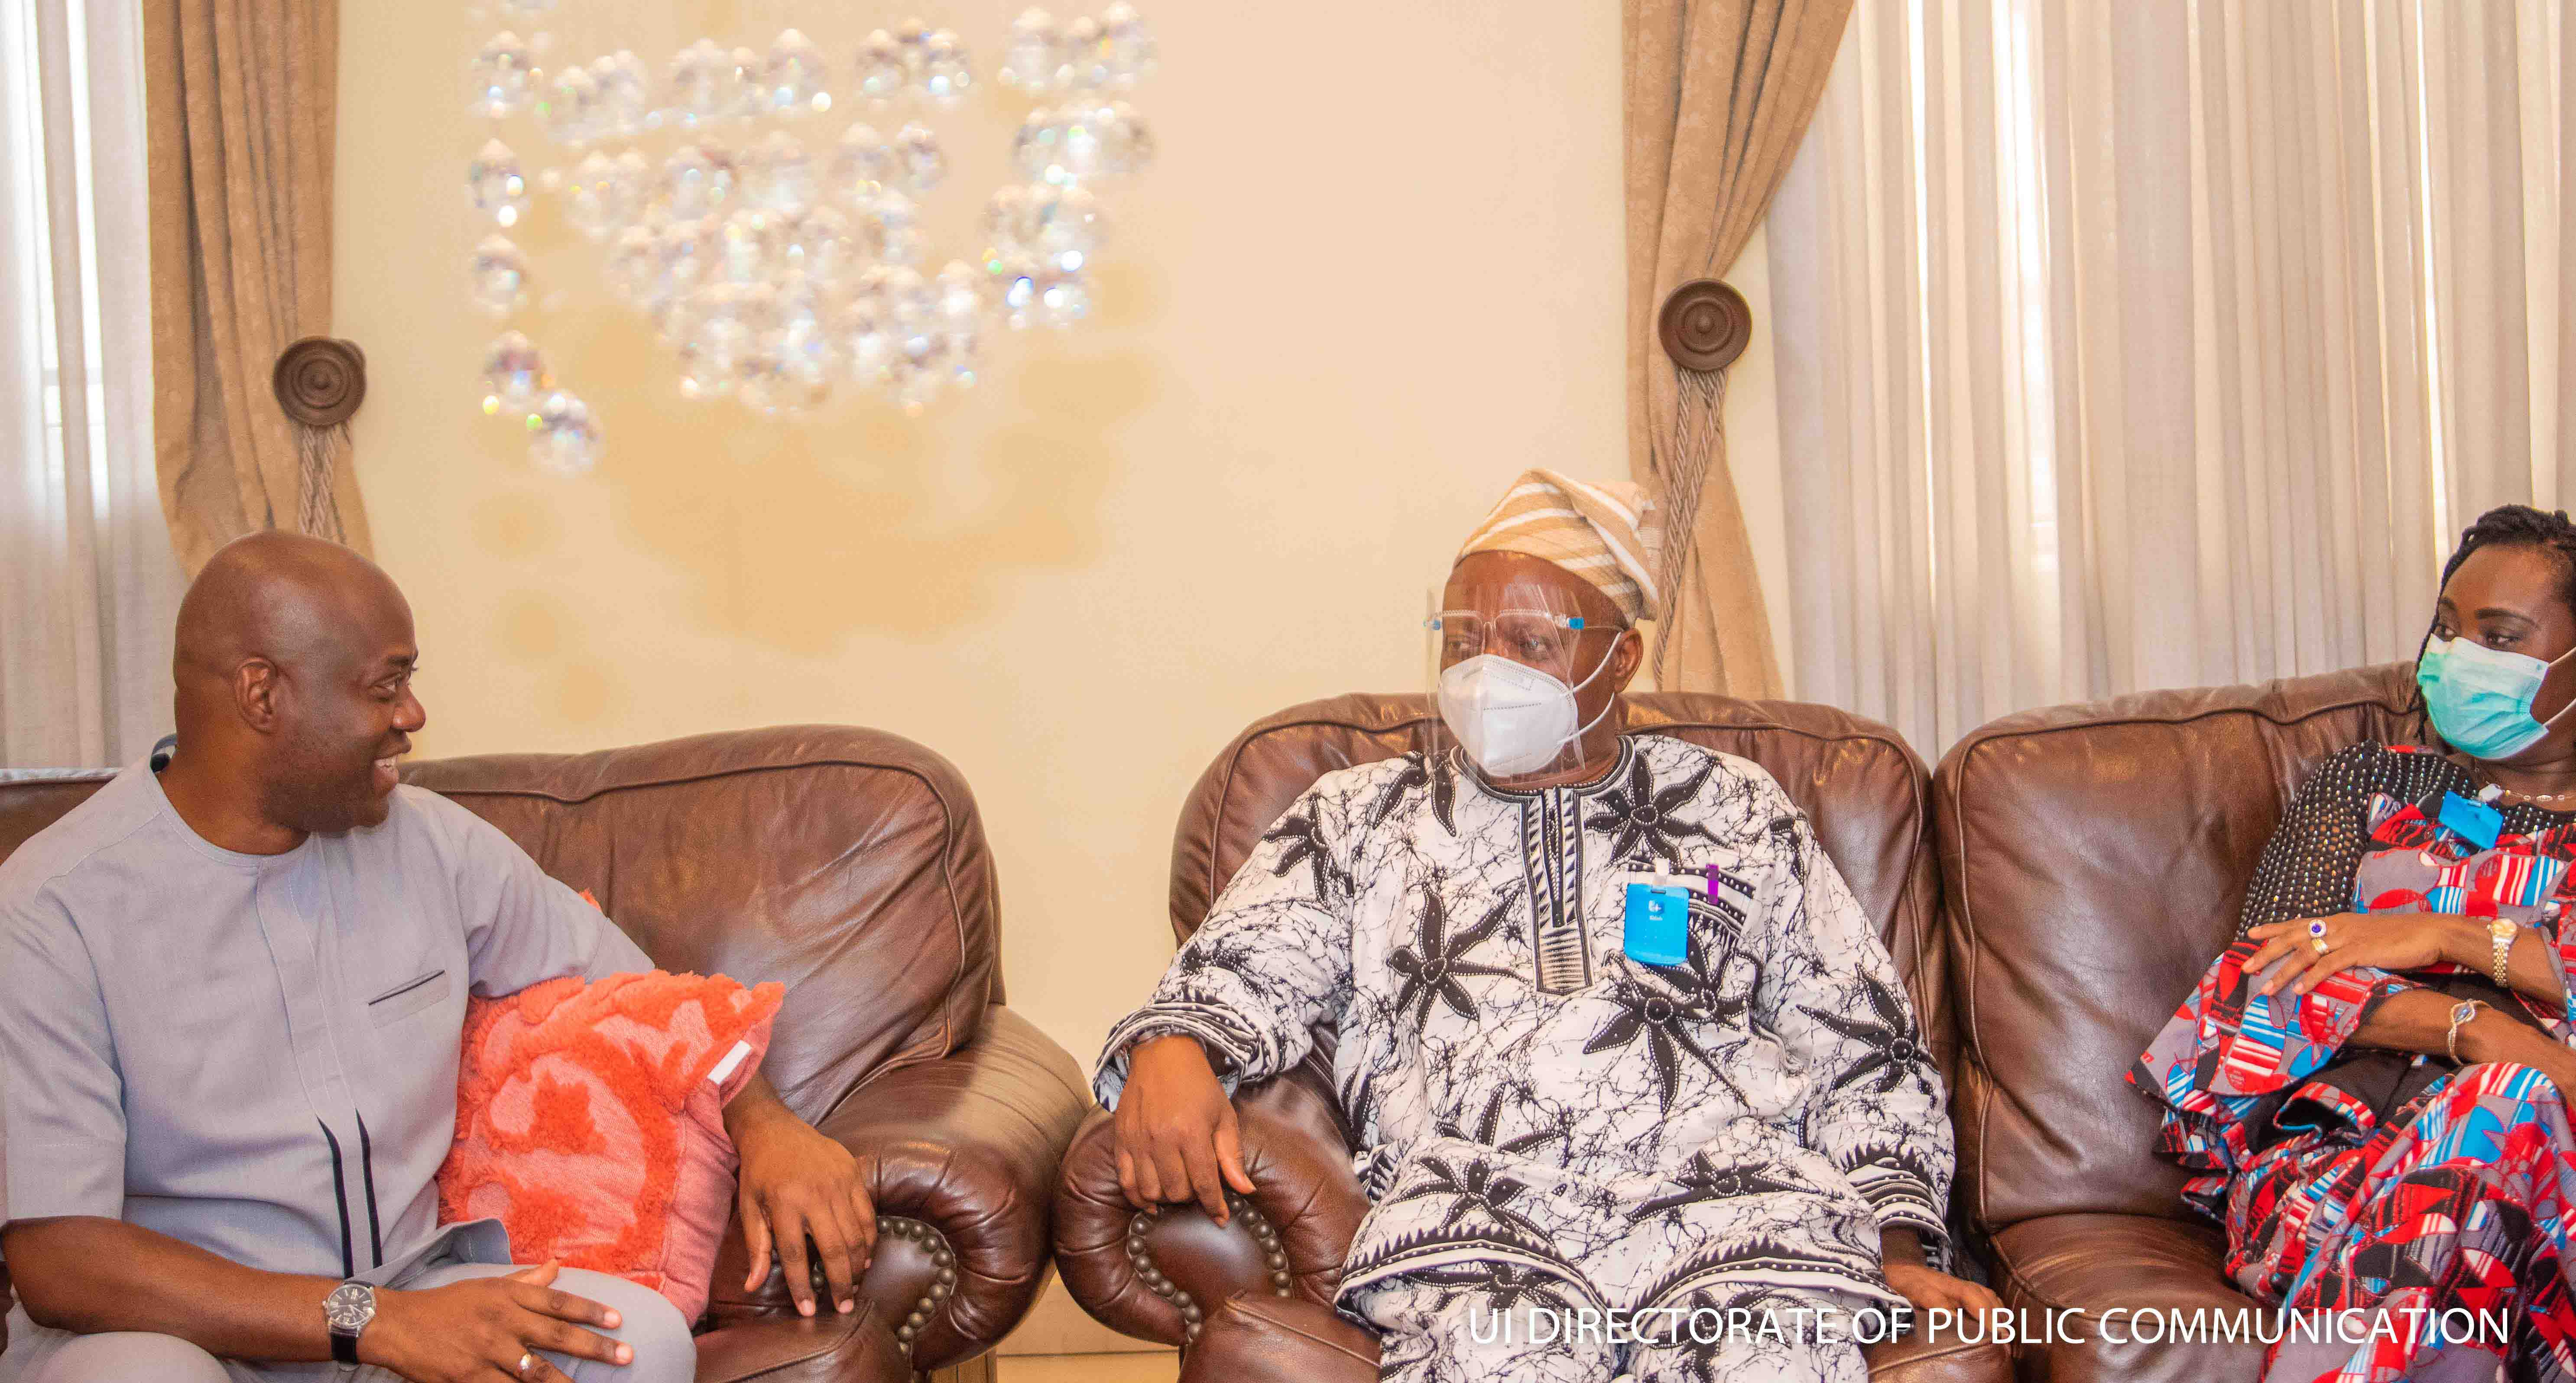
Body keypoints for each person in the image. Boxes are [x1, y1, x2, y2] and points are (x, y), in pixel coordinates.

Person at [1097, 471, 1995, 1383]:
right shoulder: (1362, 817)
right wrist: (1177, 1044)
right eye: (1462, 640)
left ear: (1622, 658)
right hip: (1476, 1227)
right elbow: (1250, 958)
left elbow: (1858, 1033)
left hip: (1737, 1216)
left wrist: (1898, 1245)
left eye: (1530, 642)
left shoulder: (1732, 808)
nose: (1487, 670)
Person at [0, 532, 876, 1383]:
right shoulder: (52, 910)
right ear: (263, 696)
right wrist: (371, 1322)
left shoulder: (433, 846)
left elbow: (641, 999)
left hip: (414, 1288)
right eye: (386, 687)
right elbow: (60, 1258)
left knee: (635, 1341)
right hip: (179, 1326)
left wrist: (766, 1125)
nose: (412, 716)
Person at [2134, 503, 2576, 1383]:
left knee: (2510, 1121)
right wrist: (2482, 1034)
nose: (2455, 656)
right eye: (2446, 628)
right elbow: (2269, 970)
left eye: (2499, 637)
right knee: (2501, 1103)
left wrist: (2444, 933)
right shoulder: (2369, 782)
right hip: (2341, 1166)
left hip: (2555, 1177)